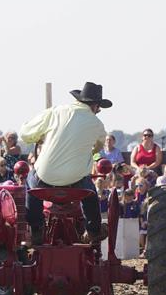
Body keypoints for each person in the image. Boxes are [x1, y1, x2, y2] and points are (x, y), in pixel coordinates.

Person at [20, 81, 110, 245]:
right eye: (99, 109)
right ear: (95, 106)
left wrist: (39, 137)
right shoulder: (97, 125)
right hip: (76, 183)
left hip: (45, 178)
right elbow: (97, 147)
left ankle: (36, 229)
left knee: (30, 184)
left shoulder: (56, 111)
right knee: (90, 193)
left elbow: (25, 134)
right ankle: (93, 230)